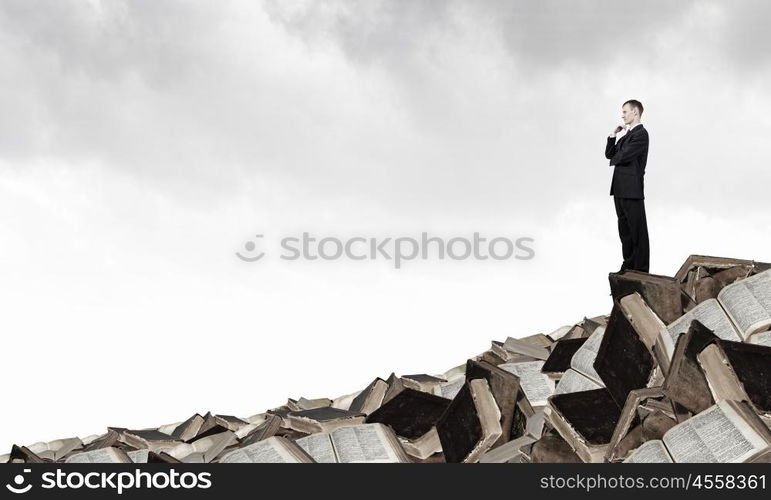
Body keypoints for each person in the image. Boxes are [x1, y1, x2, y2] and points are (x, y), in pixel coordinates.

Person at [605, 99, 650, 273]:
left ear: (635, 112)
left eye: (625, 111)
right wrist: (613, 135)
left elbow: (622, 157)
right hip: (619, 189)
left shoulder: (641, 134)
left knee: (638, 232)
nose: (622, 115)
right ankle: (628, 266)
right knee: (625, 232)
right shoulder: (625, 137)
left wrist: (617, 157)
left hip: (632, 190)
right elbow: (610, 154)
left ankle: (641, 270)